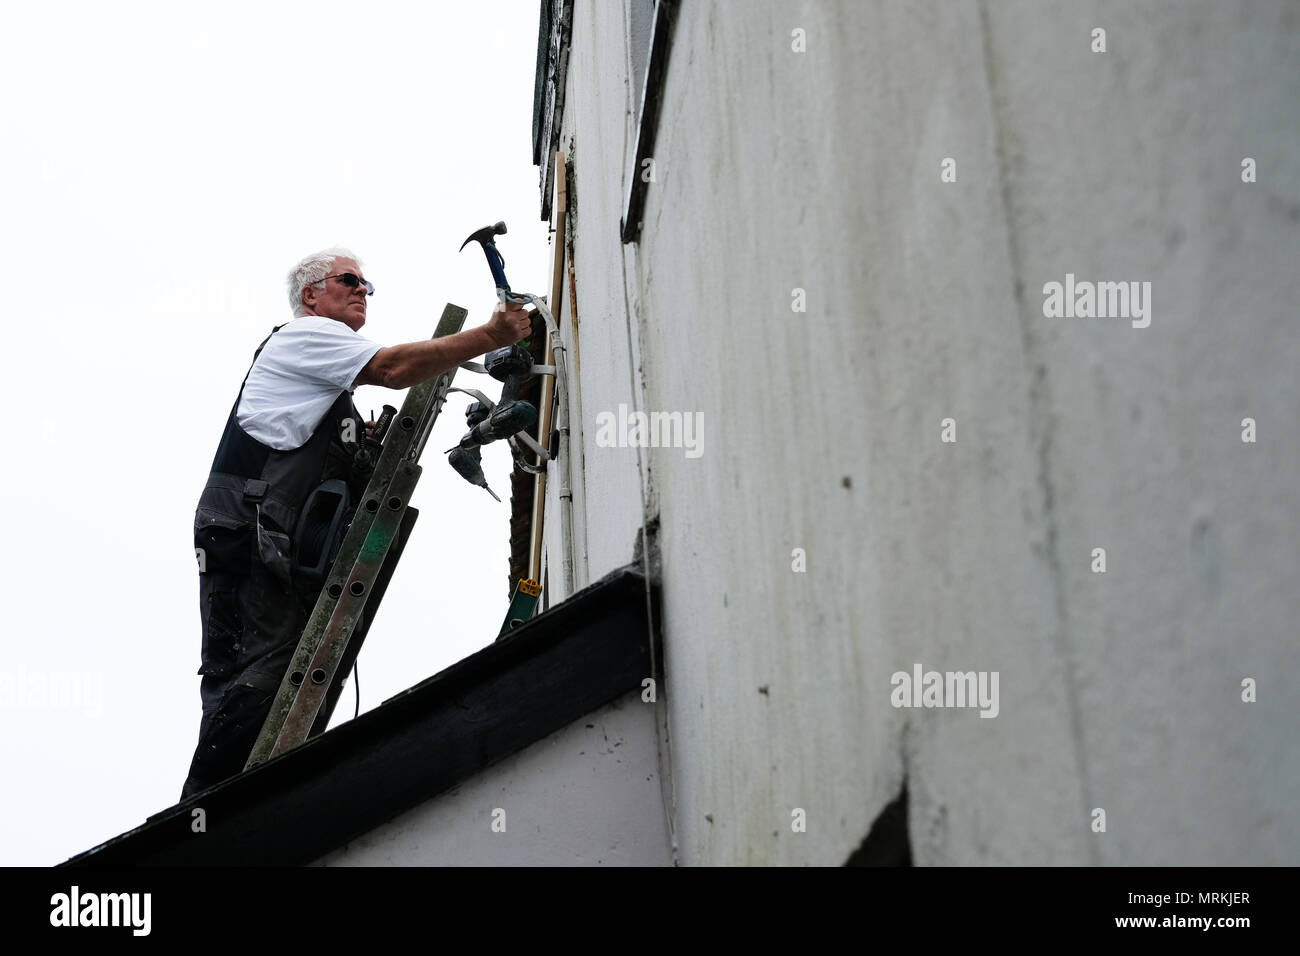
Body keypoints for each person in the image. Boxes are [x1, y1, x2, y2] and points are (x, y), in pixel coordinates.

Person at [181, 247, 532, 799]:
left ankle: (243, 804)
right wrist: (491, 336)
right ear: (310, 296)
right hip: (247, 530)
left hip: (269, 536)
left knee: (272, 672)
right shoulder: (304, 337)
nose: (362, 290)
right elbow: (391, 369)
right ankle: (207, 820)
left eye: (368, 285)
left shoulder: (328, 385)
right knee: (252, 674)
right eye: (349, 280)